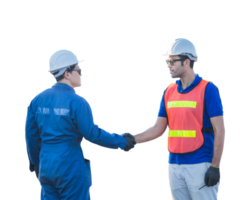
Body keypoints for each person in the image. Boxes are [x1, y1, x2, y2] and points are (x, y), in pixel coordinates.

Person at [23, 49, 137, 200]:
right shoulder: (78, 102)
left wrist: (35, 165)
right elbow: (93, 134)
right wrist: (123, 141)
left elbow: (30, 136)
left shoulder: (36, 100)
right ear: (67, 73)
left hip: (46, 165)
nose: (82, 74)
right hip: (70, 165)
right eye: (79, 70)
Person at [154, 37, 226, 200]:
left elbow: (220, 130)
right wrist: (129, 138)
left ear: (186, 61)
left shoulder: (208, 89)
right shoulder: (168, 91)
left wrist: (215, 166)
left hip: (200, 164)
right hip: (173, 164)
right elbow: (157, 129)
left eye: (172, 61)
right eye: (167, 61)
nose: (168, 65)